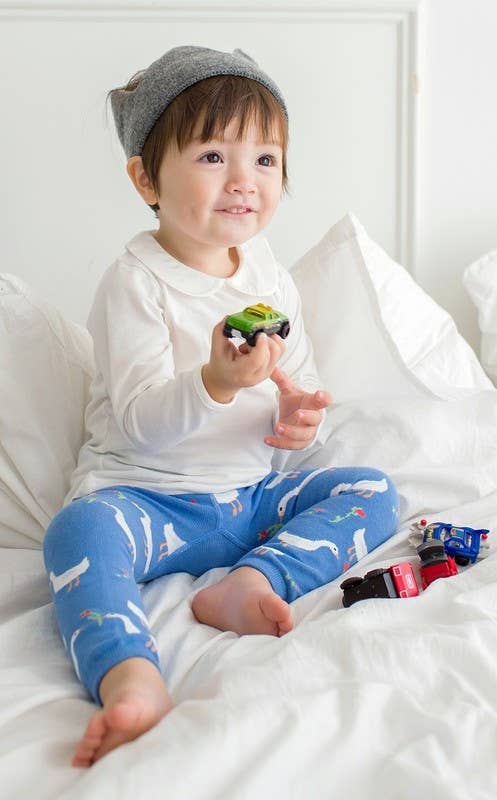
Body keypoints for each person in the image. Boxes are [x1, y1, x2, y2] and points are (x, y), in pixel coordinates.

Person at [42, 45, 400, 768]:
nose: (244, 181)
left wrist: (298, 415)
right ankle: (130, 673)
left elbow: (294, 380)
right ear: (146, 177)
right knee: (76, 533)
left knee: (372, 490)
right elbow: (143, 422)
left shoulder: (267, 269)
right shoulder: (136, 283)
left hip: (246, 501)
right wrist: (215, 380)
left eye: (265, 160)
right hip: (149, 505)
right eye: (212, 156)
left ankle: (251, 582)